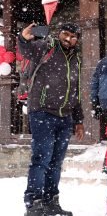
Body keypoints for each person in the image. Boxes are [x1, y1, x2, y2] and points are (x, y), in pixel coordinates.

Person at [18, 23, 84, 216]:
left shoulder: (76, 59)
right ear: (59, 34)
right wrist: (23, 38)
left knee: (56, 162)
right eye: (66, 34)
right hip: (42, 112)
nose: (69, 39)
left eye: (73, 36)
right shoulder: (47, 46)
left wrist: (78, 119)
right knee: (41, 159)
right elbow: (27, 50)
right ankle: (34, 202)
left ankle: (50, 201)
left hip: (65, 117)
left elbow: (76, 90)